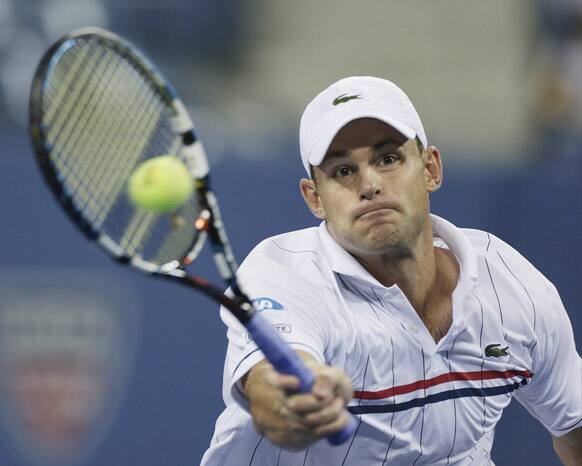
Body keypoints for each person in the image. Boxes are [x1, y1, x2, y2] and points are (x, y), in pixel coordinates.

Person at [201, 76, 581, 465]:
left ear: (431, 169)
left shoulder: (510, 283)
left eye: (388, 159)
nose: (369, 184)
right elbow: (270, 385)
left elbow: (574, 429)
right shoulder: (282, 273)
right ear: (315, 199)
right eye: (343, 171)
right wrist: (295, 399)